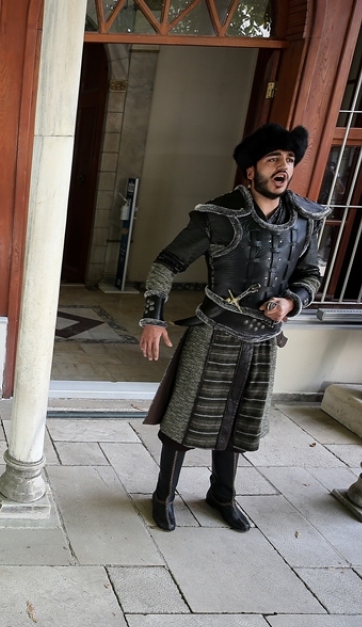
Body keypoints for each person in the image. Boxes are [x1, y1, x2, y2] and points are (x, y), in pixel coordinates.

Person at [139, 123, 328, 533]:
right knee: (185, 421)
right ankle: (163, 496)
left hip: (262, 340)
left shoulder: (305, 220)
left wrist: (293, 300)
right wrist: (153, 319)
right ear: (250, 170)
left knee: (239, 424)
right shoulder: (218, 216)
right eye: (273, 159)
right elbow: (165, 264)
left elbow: (311, 273)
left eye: (290, 160)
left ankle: (221, 496)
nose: (283, 167)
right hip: (214, 334)